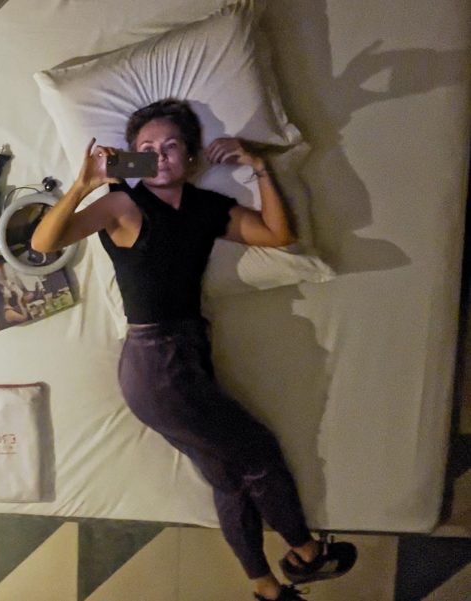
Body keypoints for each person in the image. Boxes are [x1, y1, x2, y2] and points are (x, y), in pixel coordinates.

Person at [31, 99, 357, 601]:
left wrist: (259, 166)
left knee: (229, 479)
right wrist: (82, 187)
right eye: (147, 148)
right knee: (259, 453)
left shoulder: (206, 208)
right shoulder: (122, 205)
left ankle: (266, 587)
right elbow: (43, 244)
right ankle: (307, 553)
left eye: (171, 146)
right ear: (134, 157)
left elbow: (279, 233)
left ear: (190, 156)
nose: (160, 156)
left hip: (186, 358)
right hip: (155, 367)